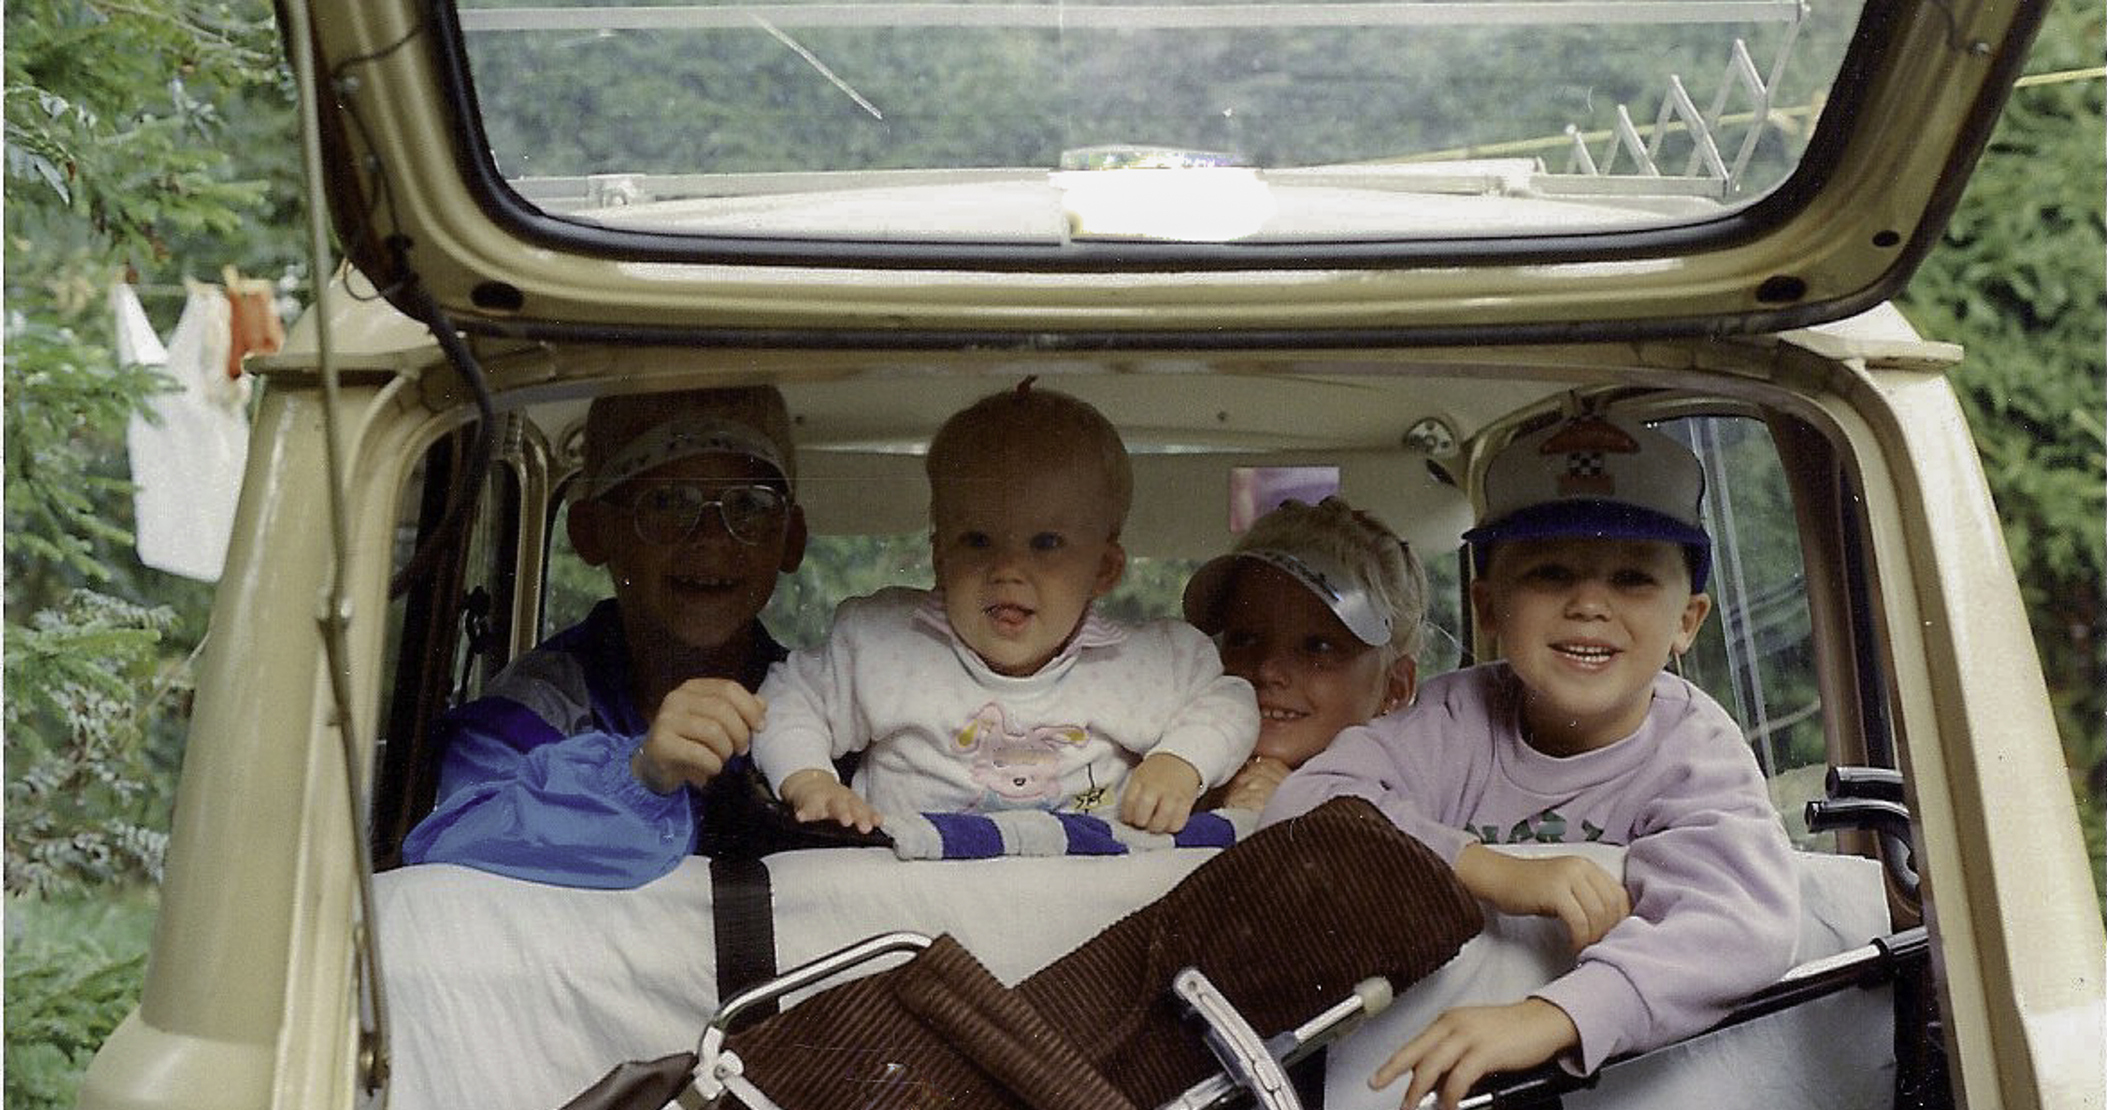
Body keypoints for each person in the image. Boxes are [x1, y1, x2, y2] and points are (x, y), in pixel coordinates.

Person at [1261, 411, 1798, 1110]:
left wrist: (1553, 1015)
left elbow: (1741, 922)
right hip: (1410, 1108)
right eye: (1549, 573)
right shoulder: (1451, 718)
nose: (1587, 604)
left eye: (1632, 577)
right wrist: (1489, 870)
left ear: (1687, 623)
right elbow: (1300, 806)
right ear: (1488, 607)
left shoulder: (1694, 748)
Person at [752, 381, 1259, 836]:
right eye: (977, 540)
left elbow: (1231, 701)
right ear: (940, 558)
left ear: (1104, 569)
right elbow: (786, 699)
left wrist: (1179, 761)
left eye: (1046, 542)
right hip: (912, 903)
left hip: (1084, 907)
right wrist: (809, 779)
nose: (1008, 569)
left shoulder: (1147, 664)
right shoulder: (883, 645)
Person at [401, 385, 814, 887]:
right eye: (666, 503)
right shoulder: (532, 711)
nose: (711, 537)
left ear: (791, 539)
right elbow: (447, 840)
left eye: (749, 505)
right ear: (592, 532)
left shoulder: (823, 706)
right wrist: (638, 777)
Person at [1182, 496, 1428, 812]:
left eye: (1318, 647)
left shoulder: (1414, 804)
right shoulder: (1164, 772)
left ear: (1395, 688)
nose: (1269, 669)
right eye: (1243, 639)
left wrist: (1300, 810)